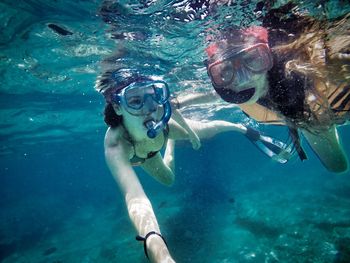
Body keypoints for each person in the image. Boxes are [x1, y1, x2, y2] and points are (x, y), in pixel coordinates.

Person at [95, 66, 293, 262]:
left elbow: (179, 106)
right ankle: (170, 144)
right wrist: (157, 249)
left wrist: (189, 132)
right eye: (135, 101)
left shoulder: (159, 110)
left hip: (164, 132)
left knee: (207, 129)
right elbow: (135, 198)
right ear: (118, 106)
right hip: (145, 156)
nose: (150, 110)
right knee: (168, 180)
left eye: (153, 97)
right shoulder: (116, 145)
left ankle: (241, 128)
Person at [177, 6, 350, 173]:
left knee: (337, 165)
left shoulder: (317, 68)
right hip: (306, 119)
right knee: (337, 166)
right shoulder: (238, 93)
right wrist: (178, 102)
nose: (243, 79)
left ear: (270, 58)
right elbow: (212, 96)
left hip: (319, 111)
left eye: (253, 59)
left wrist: (312, 116)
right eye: (226, 70)